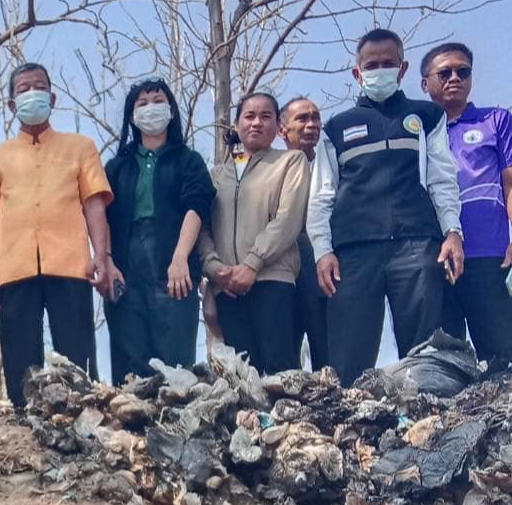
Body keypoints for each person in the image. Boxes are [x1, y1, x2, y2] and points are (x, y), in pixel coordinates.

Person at [308, 29, 464, 386]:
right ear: (357, 73)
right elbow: (321, 196)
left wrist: (453, 233)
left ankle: (428, 429)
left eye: (388, 63)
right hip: (353, 253)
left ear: (403, 68)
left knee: (425, 355)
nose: (380, 70)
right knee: (348, 356)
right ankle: (349, 432)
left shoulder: (426, 117)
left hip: (417, 245)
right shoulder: (336, 127)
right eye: (372, 65)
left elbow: (443, 180)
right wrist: (323, 252)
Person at [0, 63, 112, 407]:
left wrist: (101, 255)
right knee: (20, 356)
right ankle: (24, 422)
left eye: (38, 87)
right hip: (13, 266)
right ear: (11, 103)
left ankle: (82, 417)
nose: (31, 94)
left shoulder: (81, 146)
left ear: (52, 96)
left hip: (71, 264)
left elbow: (94, 205)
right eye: (23, 89)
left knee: (77, 354)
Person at [102, 78, 215, 383]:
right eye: (142, 104)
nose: (150, 108)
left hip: (172, 261)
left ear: (172, 111)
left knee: (175, 363)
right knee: (130, 362)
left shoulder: (187, 161)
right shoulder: (117, 167)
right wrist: (107, 261)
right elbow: (103, 217)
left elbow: (197, 207)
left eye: (157, 101)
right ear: (131, 116)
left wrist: (180, 257)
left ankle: (177, 427)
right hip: (125, 264)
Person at [198, 92, 310, 374]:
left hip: (273, 279)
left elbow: (288, 219)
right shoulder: (216, 175)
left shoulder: (290, 162)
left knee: (280, 371)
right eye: (249, 116)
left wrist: (252, 263)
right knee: (242, 375)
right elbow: (202, 227)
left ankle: (288, 421)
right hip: (227, 287)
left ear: (277, 126)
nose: (256, 123)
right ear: (236, 125)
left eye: (265, 116)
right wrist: (214, 269)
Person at [421, 42, 512, 363]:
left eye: (463, 71)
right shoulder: (419, 131)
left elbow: (510, 183)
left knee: (501, 351)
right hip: (434, 253)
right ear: (425, 83)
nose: (454, 78)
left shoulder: (496, 121)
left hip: (489, 251)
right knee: (446, 357)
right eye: (444, 73)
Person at [278, 96, 329, 370]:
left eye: (315, 117)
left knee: (328, 359)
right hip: (280, 274)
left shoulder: (332, 166)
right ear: (282, 129)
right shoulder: (269, 170)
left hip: (321, 273)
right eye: (302, 118)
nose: (311, 124)